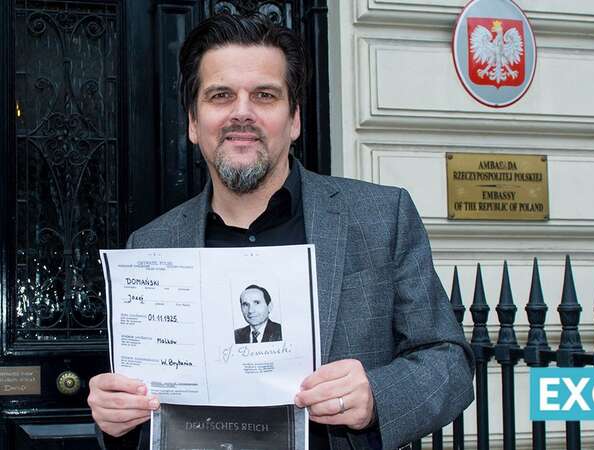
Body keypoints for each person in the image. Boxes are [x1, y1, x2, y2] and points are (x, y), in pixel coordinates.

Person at [88, 12, 474, 450]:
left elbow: (450, 363)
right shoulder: (151, 246)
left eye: (265, 95)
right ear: (193, 123)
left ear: (293, 120)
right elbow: (136, 405)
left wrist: (375, 396)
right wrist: (115, 419)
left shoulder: (381, 217)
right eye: (220, 95)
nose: (242, 113)